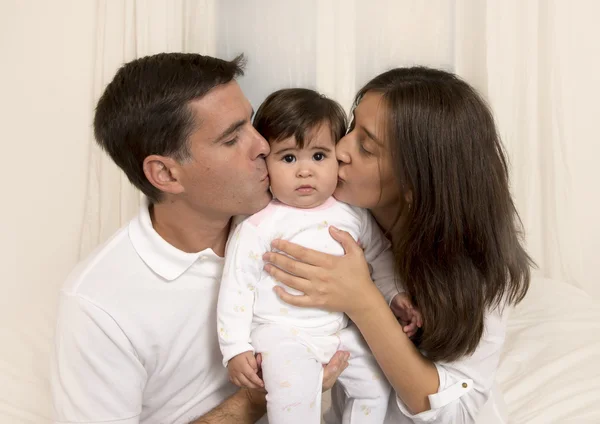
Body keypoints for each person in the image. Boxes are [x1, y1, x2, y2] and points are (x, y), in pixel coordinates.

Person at [50, 53, 348, 424]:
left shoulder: (294, 217)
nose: (263, 146)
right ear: (166, 174)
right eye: (231, 138)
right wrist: (259, 398)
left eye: (251, 123)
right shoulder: (98, 306)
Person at [261, 67, 533, 424]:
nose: (340, 149)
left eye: (366, 147)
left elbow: (456, 412)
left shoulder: (478, 263)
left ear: (414, 183)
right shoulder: (330, 215)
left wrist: (363, 300)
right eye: (352, 128)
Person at [217, 88, 422, 424]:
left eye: (318, 156)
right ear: (265, 163)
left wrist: (395, 294)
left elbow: (379, 259)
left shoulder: (352, 214)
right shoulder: (259, 224)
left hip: (337, 331)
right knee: (294, 399)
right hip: (282, 334)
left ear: (336, 157)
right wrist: (235, 348)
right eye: (288, 158)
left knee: (377, 384)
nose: (304, 171)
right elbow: (236, 287)